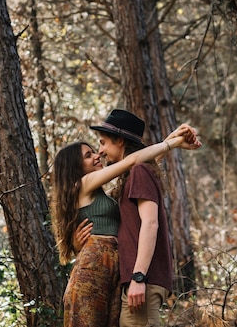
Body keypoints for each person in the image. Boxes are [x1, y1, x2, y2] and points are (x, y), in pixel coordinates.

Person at [51, 121, 200, 327]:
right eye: (88, 155)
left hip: (112, 273)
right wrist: (171, 144)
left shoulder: (104, 196)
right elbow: (133, 163)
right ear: (74, 167)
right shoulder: (82, 186)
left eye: (96, 149)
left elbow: (139, 169)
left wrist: (171, 139)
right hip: (92, 273)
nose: (98, 155)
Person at [91, 109, 187, 327]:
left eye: (103, 143)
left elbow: (150, 223)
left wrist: (139, 277)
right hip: (140, 280)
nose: (101, 151)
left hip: (145, 279)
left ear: (119, 141)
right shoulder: (134, 173)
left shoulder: (139, 172)